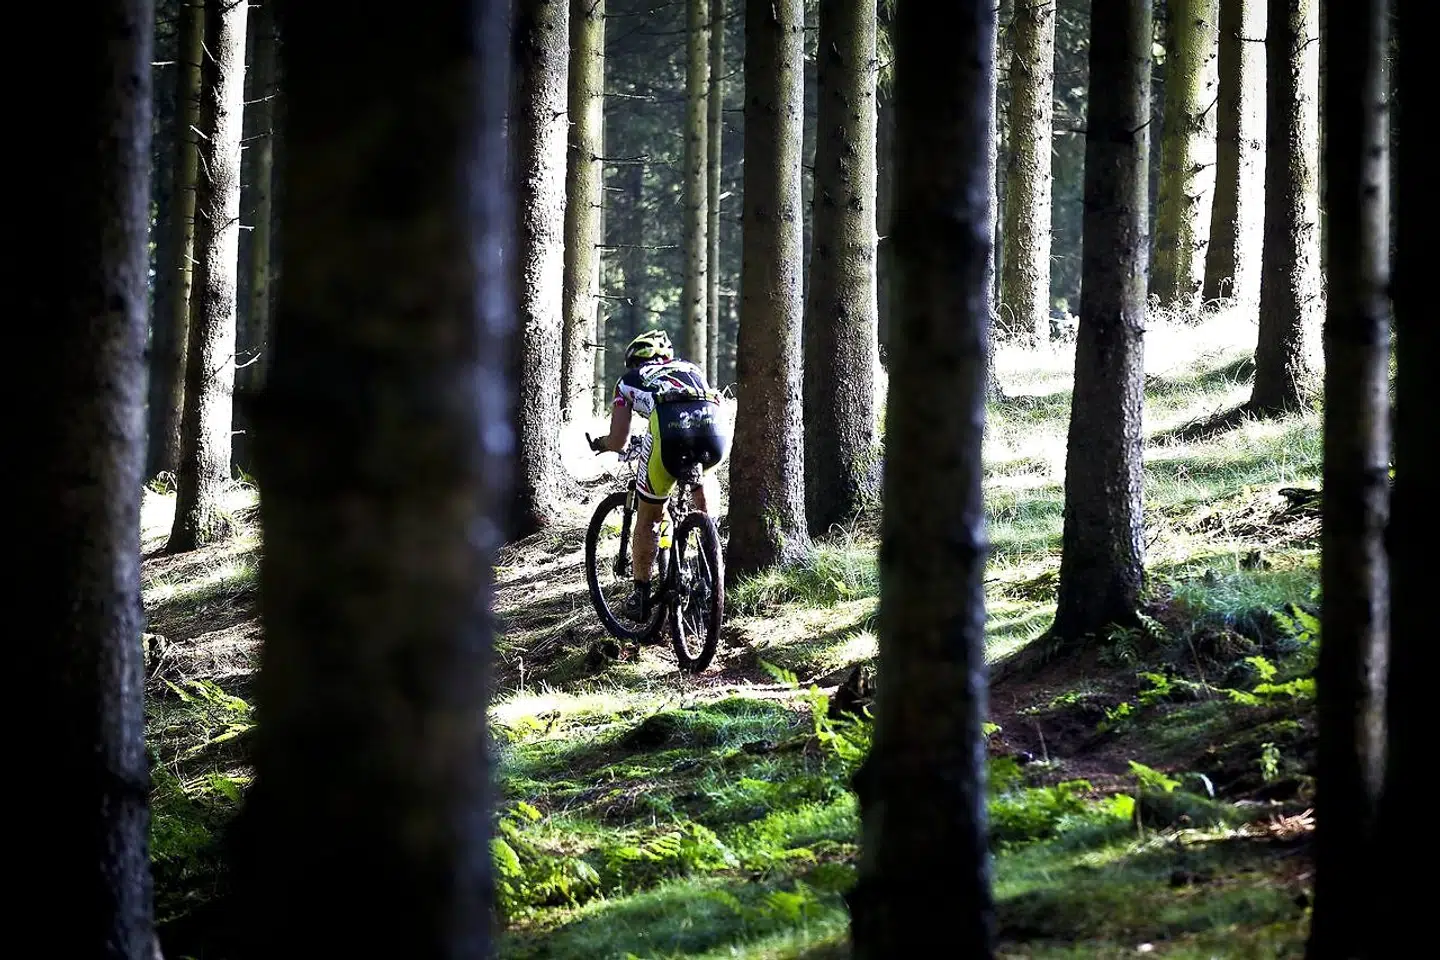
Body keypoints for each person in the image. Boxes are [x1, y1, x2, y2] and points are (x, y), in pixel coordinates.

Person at [589, 329, 729, 621]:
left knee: (650, 516)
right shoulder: (691, 368)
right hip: (714, 430)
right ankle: (710, 557)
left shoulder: (627, 382)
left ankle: (640, 596)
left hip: (669, 433)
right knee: (704, 486)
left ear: (633, 361)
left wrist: (600, 444)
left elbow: (620, 441)